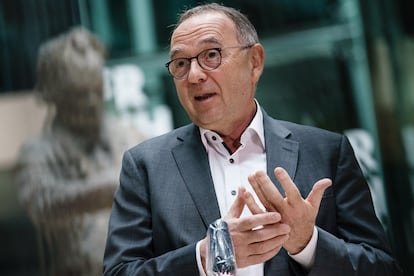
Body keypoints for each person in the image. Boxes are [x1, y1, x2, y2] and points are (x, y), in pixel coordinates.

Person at [103, 3, 402, 275]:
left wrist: (307, 243)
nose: (194, 75)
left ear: (255, 62)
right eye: (180, 64)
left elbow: (384, 268)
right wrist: (204, 257)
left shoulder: (326, 151)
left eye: (211, 55)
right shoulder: (145, 166)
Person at [16, 27, 141, 276]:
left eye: (97, 90)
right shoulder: (39, 153)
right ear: (55, 95)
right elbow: (42, 202)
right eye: (80, 95)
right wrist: (106, 188)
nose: (92, 103)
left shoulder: (128, 134)